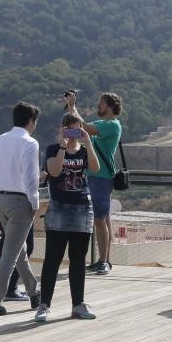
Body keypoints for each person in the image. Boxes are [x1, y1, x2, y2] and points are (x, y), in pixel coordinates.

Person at [34, 114, 100, 322]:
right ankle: (44, 305)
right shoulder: (53, 149)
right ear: (63, 129)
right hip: (59, 208)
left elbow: (96, 168)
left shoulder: (84, 149)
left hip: (82, 208)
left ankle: (78, 304)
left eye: (78, 129)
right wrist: (63, 146)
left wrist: (87, 141)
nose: (75, 134)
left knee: (78, 259)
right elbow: (53, 172)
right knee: (52, 258)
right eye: (70, 129)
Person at [0, 101, 42, 318]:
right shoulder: (30, 143)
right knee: (10, 253)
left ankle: (35, 293)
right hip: (20, 203)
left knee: (17, 248)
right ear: (31, 121)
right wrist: (34, 204)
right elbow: (31, 178)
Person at [67, 92, 122, 276]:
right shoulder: (101, 124)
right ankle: (103, 260)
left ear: (109, 105)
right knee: (102, 218)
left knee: (99, 220)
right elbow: (81, 130)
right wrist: (71, 110)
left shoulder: (112, 125)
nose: (98, 105)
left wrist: (73, 106)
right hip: (93, 175)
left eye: (101, 102)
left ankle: (104, 261)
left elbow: (86, 129)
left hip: (102, 177)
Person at [0, 222, 35, 301]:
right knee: (25, 245)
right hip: (22, 212)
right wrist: (33, 210)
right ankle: (10, 289)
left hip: (4, 210)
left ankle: (6, 289)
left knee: (9, 239)